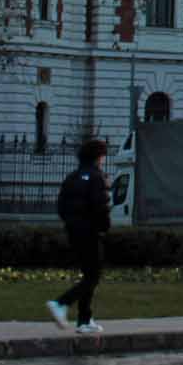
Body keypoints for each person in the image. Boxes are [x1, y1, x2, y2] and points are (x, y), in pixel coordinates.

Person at [48, 138, 112, 334]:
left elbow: (61, 206)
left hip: (74, 231)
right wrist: (104, 226)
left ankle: (84, 319)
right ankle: (61, 303)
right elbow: (100, 206)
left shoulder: (72, 177)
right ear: (98, 157)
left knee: (89, 274)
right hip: (91, 231)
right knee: (94, 275)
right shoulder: (96, 177)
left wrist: (71, 222)